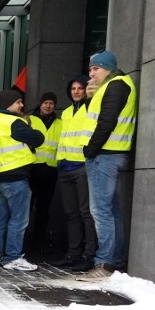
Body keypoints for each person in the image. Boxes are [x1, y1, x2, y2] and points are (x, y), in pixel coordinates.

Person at [78, 50, 137, 281]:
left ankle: (104, 264)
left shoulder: (116, 86)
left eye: (96, 68)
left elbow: (106, 121)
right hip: (111, 154)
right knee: (111, 211)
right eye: (90, 68)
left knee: (101, 211)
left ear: (108, 68)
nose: (91, 73)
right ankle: (114, 261)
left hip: (104, 155)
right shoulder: (117, 85)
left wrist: (90, 150)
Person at [0, 90, 45, 271]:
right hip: (16, 177)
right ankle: (13, 257)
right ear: (10, 103)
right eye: (18, 102)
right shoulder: (13, 122)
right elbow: (38, 138)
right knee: (18, 220)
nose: (22, 106)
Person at [50, 76, 97, 272]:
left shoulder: (91, 108)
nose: (76, 92)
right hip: (65, 167)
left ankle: (89, 254)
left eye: (80, 88)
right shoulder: (67, 112)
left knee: (86, 212)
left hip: (82, 166)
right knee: (70, 214)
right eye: (73, 89)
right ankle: (72, 253)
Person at [27, 91, 60, 254]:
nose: (48, 106)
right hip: (33, 169)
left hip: (50, 171)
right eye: (45, 102)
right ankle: (24, 241)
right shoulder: (30, 120)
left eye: (52, 103)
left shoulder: (59, 123)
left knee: (44, 208)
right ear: (40, 104)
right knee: (26, 207)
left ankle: (39, 242)